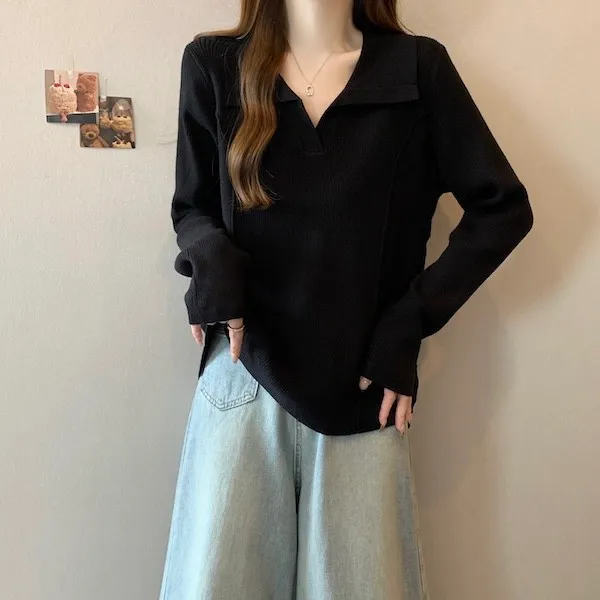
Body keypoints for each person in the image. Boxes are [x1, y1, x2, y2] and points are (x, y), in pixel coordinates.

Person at [159, 0, 534, 598]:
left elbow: (502, 208)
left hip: (364, 391)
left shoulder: (417, 69)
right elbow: (192, 206)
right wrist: (213, 264)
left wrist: (409, 322)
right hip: (241, 374)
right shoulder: (215, 64)